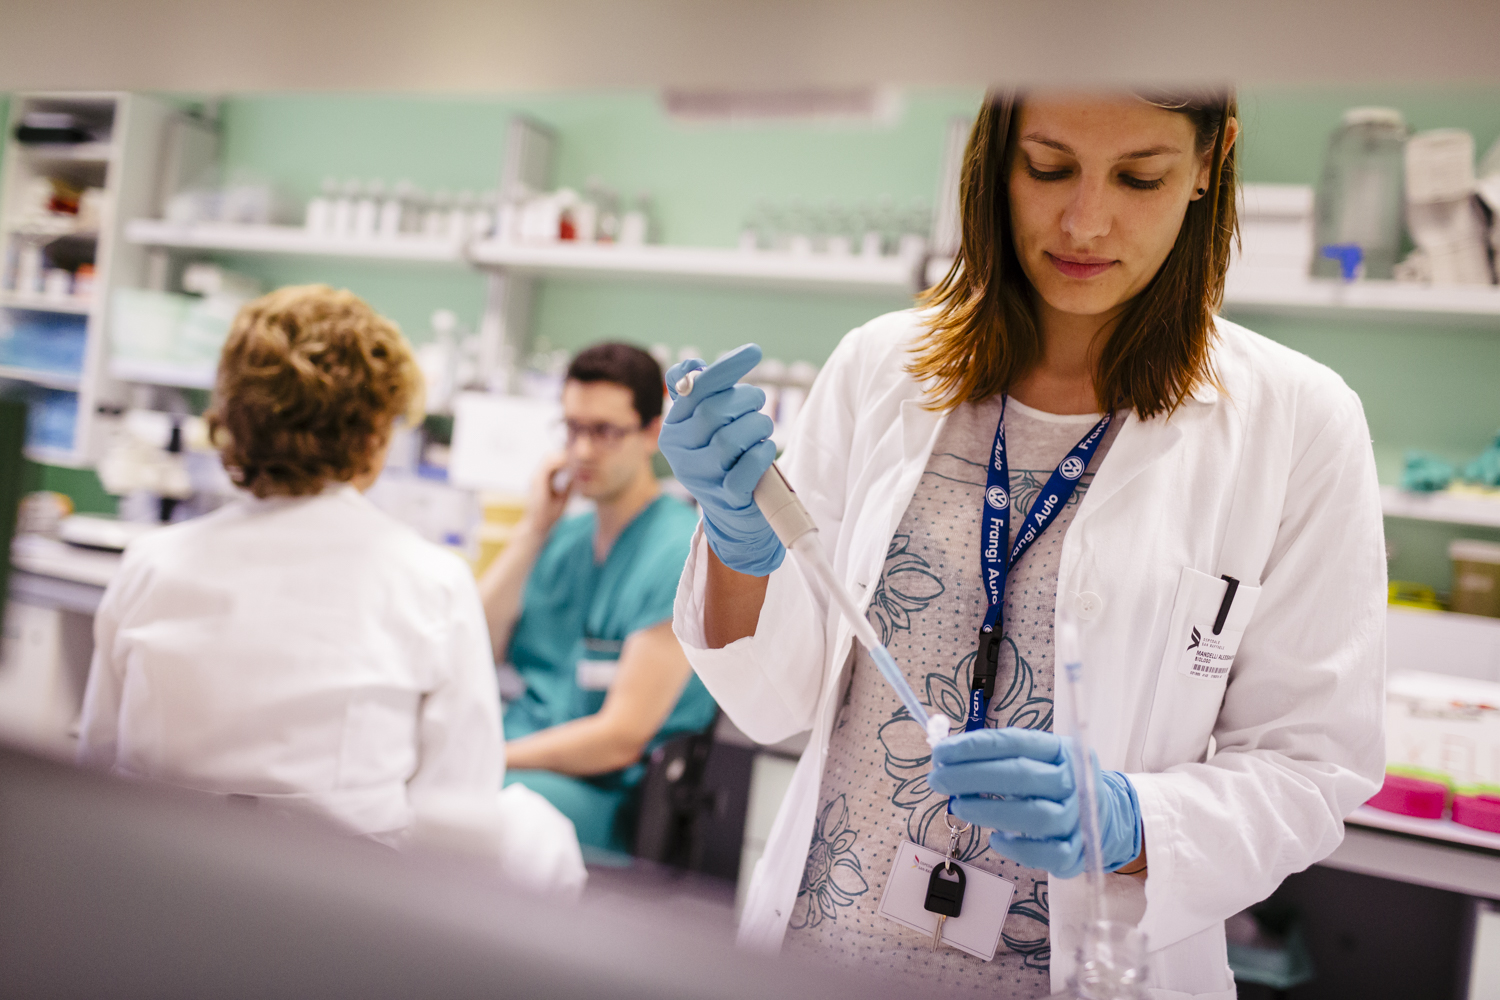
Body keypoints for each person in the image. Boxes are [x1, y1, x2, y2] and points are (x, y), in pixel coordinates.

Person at [659, 92, 1385, 998]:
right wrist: (738, 533)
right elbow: (775, 700)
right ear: (993, 156)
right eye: (1047, 168)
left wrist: (1132, 822)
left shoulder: (1298, 422)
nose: (1085, 220)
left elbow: (1314, 766)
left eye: (1139, 176)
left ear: (1211, 161)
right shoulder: (884, 366)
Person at [76, 285, 583, 891]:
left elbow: (95, 767)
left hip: (148, 885)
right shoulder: (430, 581)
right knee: (541, 833)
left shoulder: (150, 564)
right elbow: (458, 811)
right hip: (336, 913)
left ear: (233, 422)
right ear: (374, 436)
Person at [479, 342, 716, 854]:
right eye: (572, 429)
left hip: (600, 793)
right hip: (517, 761)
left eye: (605, 432)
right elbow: (471, 648)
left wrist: (488, 756)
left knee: (462, 818)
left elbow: (620, 736)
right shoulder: (563, 540)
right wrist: (532, 530)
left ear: (652, 434)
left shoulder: (678, 552)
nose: (582, 451)